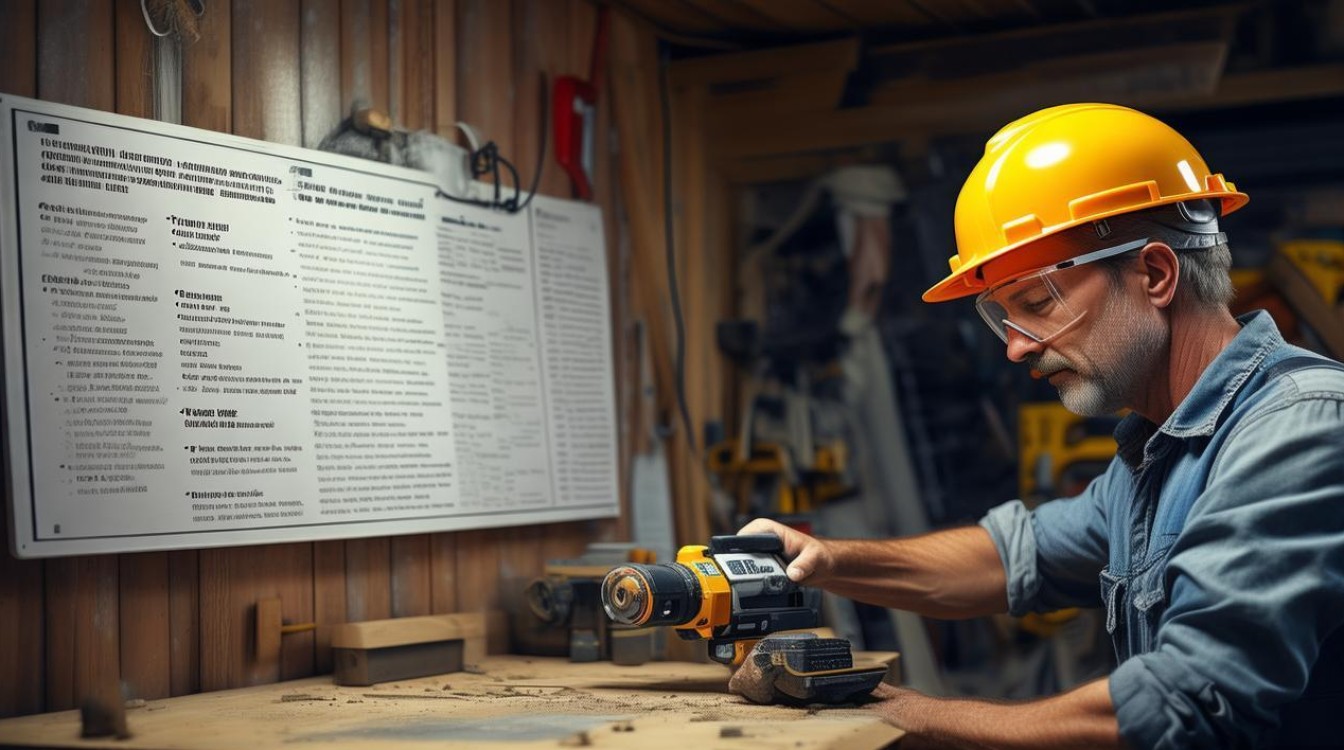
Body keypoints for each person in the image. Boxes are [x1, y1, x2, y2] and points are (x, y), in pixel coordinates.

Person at [732, 103, 1344, 749]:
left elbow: (1181, 700)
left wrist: (904, 715)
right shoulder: (1158, 455)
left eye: (1035, 304)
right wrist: (826, 560)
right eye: (1002, 318)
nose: (1016, 348)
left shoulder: (1297, 430)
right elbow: (1015, 557)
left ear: (1156, 275)